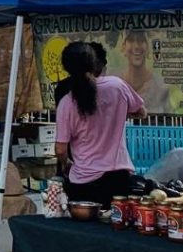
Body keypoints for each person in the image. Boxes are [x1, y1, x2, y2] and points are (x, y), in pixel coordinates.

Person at [55, 41, 145, 208]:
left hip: (83, 183)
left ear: (66, 68)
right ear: (95, 63)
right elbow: (141, 112)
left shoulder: (67, 103)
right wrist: (118, 114)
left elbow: (60, 150)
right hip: (119, 178)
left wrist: (66, 164)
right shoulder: (117, 86)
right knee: (117, 227)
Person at [119, 30, 171, 113]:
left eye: (141, 40)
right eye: (131, 40)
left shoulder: (160, 87)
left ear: (147, 48)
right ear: (124, 47)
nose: (136, 46)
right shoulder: (115, 84)